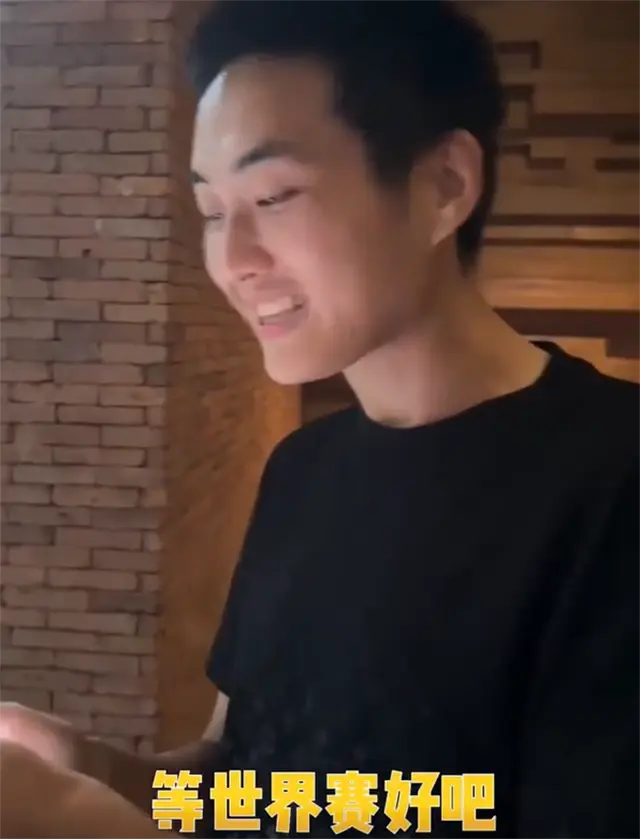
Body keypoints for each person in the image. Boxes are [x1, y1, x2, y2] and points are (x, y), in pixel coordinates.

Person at [1, 0, 639, 836]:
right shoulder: (302, 468)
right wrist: (95, 770)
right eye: (212, 211)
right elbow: (252, 790)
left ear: (444, 186)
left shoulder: (611, 481)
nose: (232, 260)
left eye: (274, 195)